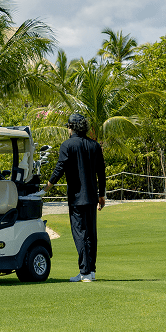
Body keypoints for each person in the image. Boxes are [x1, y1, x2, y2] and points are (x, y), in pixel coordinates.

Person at [33, 113, 106, 282]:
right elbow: (101, 173)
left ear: (71, 127)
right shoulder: (94, 145)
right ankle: (91, 271)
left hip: (76, 198)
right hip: (91, 198)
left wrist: (45, 189)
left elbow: (59, 169)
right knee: (91, 234)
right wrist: (102, 195)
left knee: (80, 234)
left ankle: (85, 273)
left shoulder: (67, 145)